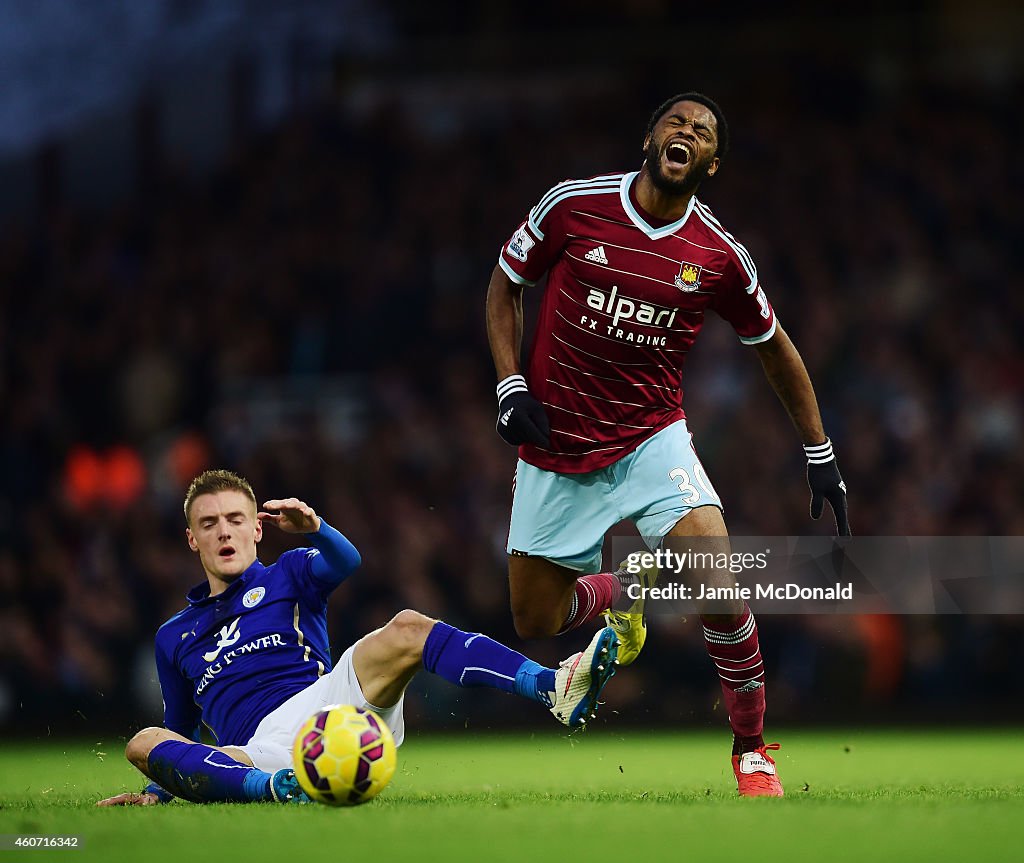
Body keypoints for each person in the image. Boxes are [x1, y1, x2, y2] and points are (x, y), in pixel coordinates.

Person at [485, 92, 851, 798]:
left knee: (717, 582)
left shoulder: (718, 255)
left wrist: (819, 450)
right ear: (649, 137)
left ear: (712, 163)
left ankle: (752, 752)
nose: (690, 132)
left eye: (705, 131)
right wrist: (509, 385)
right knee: (535, 618)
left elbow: (774, 346)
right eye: (678, 121)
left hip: (653, 439)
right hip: (556, 440)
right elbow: (505, 285)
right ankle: (625, 591)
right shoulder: (572, 205)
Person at [97, 469, 619, 806]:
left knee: (409, 626)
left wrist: (316, 526)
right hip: (256, 749)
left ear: (258, 528)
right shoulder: (173, 636)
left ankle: (553, 686)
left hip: (330, 710)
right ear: (192, 538)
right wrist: (155, 792)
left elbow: (347, 561)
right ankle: (278, 789)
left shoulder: (291, 572)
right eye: (209, 524)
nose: (224, 531)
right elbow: (179, 730)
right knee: (143, 742)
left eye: (236, 519)